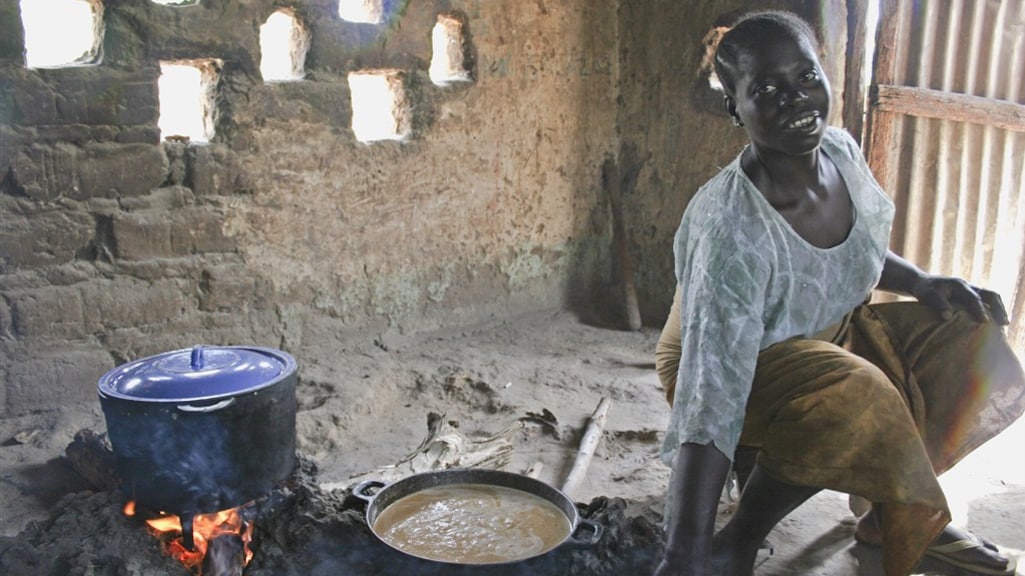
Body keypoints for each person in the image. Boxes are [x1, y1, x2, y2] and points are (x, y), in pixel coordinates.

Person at [652, 10, 1025, 576]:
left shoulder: (841, 154)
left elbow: (858, 252)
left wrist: (924, 283)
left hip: (823, 332)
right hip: (724, 361)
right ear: (735, 106)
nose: (796, 101)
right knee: (857, 393)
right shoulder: (732, 228)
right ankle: (739, 540)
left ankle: (888, 509)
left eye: (806, 78)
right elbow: (711, 392)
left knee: (969, 335)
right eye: (766, 89)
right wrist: (686, 552)